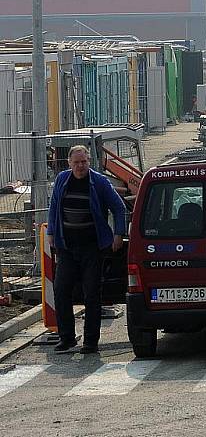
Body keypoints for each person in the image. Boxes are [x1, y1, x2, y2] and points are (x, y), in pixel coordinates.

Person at [46, 145, 126, 354]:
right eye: (76, 163)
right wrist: (51, 233)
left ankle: (90, 341)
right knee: (61, 290)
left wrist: (118, 233)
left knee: (91, 294)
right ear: (69, 164)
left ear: (89, 162)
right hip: (67, 247)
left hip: (92, 247)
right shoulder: (62, 181)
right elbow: (54, 207)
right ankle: (67, 338)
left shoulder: (99, 183)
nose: (80, 166)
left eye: (84, 162)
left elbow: (118, 207)